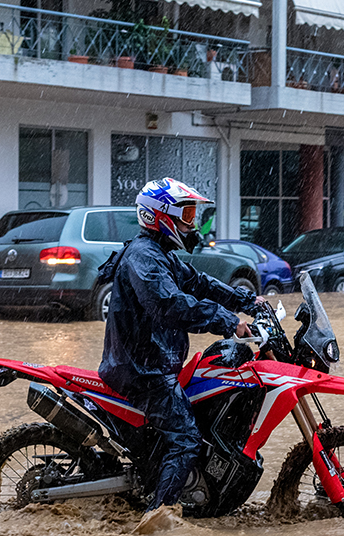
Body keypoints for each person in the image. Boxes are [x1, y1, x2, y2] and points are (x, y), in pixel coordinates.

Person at [97, 178, 264, 528]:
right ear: (162, 217)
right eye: (186, 215)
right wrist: (228, 321)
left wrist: (248, 301)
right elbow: (169, 305)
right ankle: (158, 517)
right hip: (142, 369)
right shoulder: (144, 256)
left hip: (154, 363)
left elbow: (200, 282)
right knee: (187, 437)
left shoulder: (160, 255)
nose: (192, 224)